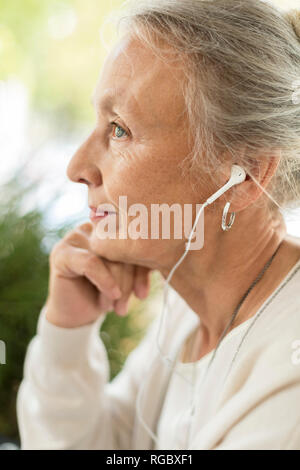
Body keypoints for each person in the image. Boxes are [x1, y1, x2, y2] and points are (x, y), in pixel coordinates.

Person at [16, 0, 300, 450]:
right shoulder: (189, 317)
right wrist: (66, 333)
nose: (76, 167)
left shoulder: (290, 387)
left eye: (119, 129)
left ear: (243, 175)